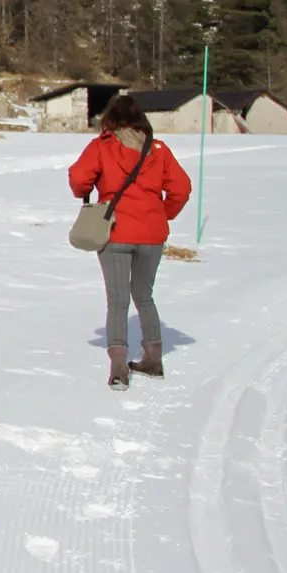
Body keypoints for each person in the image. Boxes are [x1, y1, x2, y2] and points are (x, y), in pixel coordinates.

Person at [68, 95, 193, 389]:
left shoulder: (103, 145)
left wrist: (89, 190)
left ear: (110, 120)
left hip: (115, 233)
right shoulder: (158, 150)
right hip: (152, 234)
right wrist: (162, 214)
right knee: (144, 296)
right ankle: (153, 359)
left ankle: (118, 367)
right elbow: (182, 188)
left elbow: (78, 180)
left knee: (118, 300)